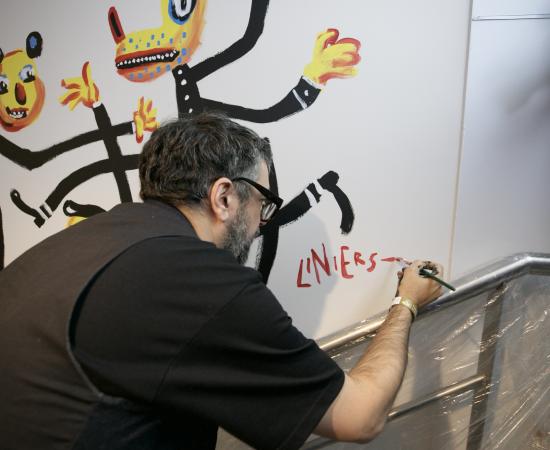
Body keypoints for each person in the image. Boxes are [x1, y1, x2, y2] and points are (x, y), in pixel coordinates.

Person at [0, 112, 443, 449]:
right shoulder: (196, 278)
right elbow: (360, 416)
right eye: (263, 203)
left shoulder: (77, 243)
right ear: (225, 197)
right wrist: (405, 302)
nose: (262, 223)